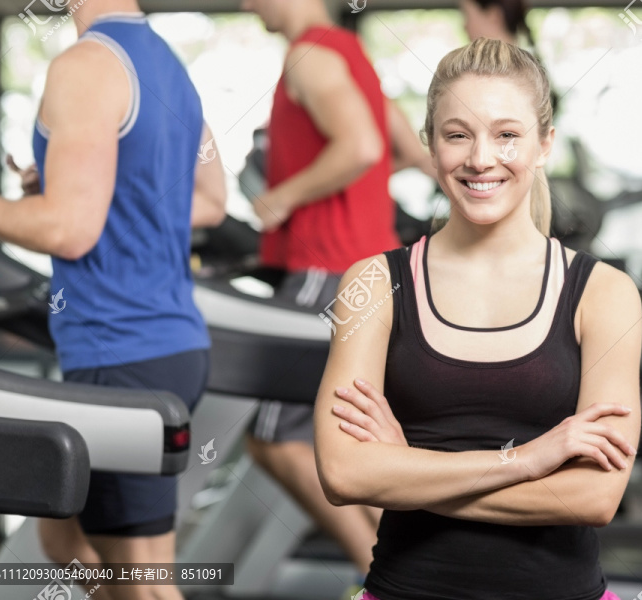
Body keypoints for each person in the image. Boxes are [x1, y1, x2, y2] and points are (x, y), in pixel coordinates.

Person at [314, 38, 641, 600]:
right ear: (431, 144)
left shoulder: (604, 294)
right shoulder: (373, 284)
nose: (480, 159)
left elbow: (592, 499)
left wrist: (404, 471)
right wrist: (531, 459)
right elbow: (344, 476)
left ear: (544, 145)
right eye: (457, 134)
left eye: (507, 135)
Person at [0, 1, 226, 598]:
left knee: (145, 583)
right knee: (65, 541)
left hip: (121, 353)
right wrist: (84, 183)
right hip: (171, 345)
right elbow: (208, 199)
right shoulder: (168, 64)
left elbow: (69, 231)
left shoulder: (85, 65)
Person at [238, 1, 433, 597]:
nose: (245, 4)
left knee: (273, 437)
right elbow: (406, 148)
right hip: (372, 266)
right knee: (348, 432)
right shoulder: (351, 55)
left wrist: (286, 196)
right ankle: (411, 575)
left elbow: (363, 147)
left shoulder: (308, 54)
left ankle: (385, 581)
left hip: (328, 270)